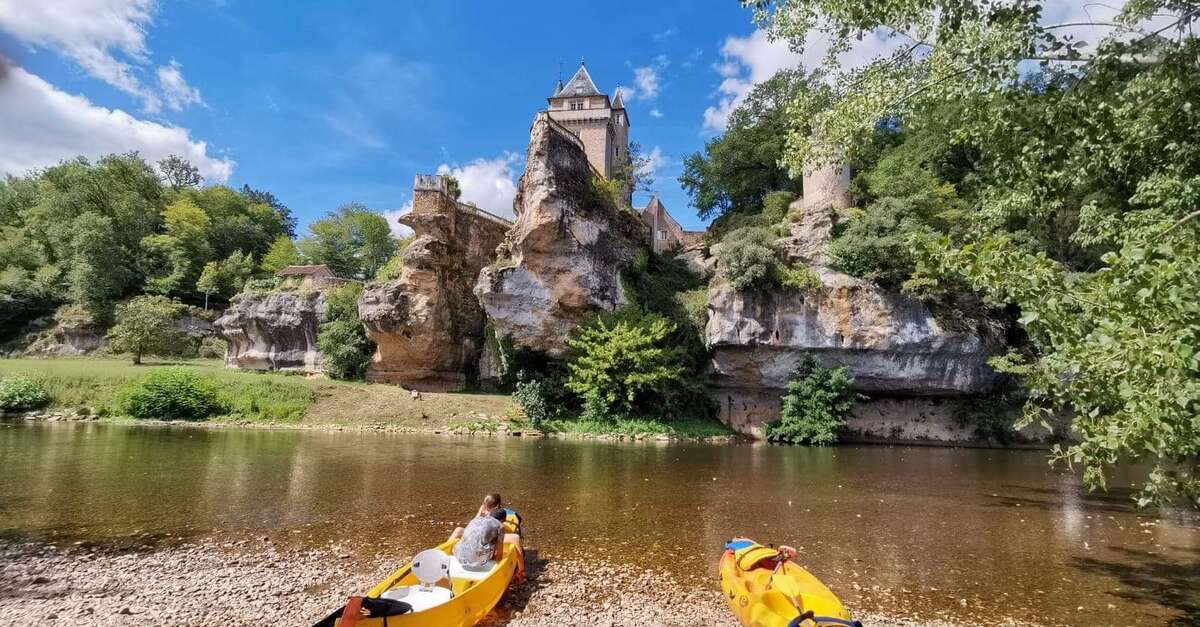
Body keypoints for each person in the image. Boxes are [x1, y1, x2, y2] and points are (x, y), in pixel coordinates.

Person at [448, 492, 525, 580]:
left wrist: (480, 512)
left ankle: (446, 553)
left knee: (459, 530)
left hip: (459, 554)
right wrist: (498, 561)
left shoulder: (480, 515)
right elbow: (498, 533)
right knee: (515, 538)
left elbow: (471, 525)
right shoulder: (498, 523)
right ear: (497, 506)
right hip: (478, 558)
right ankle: (521, 570)